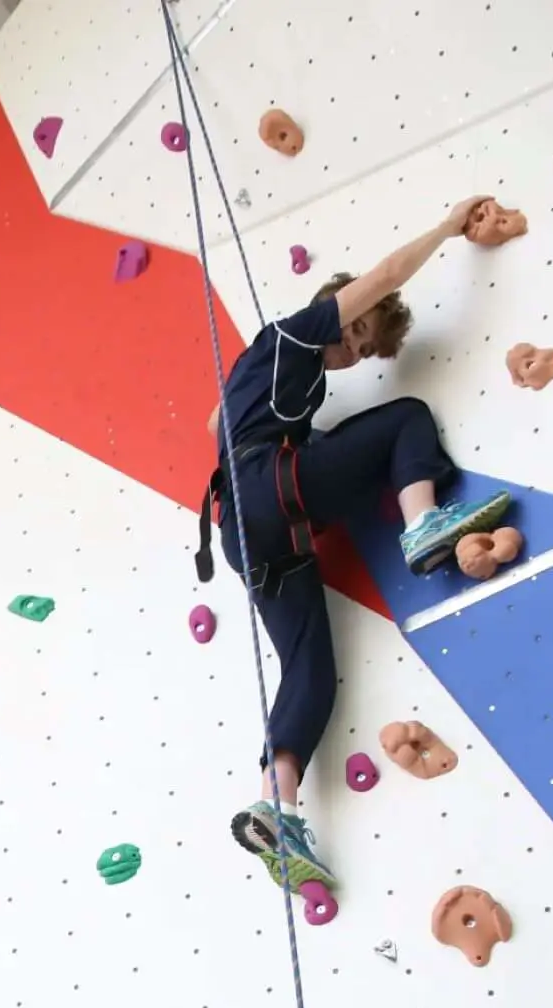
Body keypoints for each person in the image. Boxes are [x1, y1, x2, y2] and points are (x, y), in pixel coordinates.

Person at [200, 194, 512, 896]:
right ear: (340, 308)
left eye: (362, 351)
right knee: (407, 417)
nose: (351, 355)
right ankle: (423, 523)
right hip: (264, 489)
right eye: (357, 335)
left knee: (311, 672)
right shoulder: (294, 334)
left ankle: (276, 807)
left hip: (243, 532)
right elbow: (389, 271)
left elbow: (216, 418)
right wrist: (446, 222)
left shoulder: (270, 376)